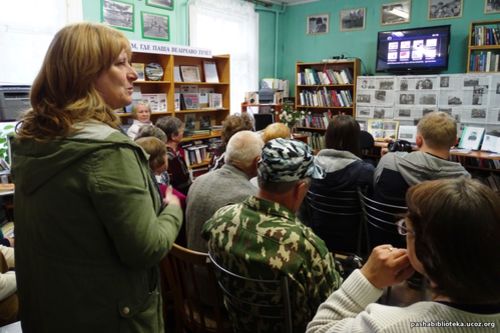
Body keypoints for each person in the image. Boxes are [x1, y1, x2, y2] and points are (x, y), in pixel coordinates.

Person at [12, 22, 182, 333]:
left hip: (53, 311)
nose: (133, 74)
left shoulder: (33, 142)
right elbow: (146, 249)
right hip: (110, 317)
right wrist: (172, 207)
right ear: (85, 74)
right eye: (121, 63)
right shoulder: (109, 152)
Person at [307, 177, 500, 332]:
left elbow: (319, 329)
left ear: (428, 251)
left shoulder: (388, 325)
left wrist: (367, 279)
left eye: (407, 229)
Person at [203, 138, 342, 333]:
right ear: (301, 189)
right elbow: (335, 309)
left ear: (260, 177)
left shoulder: (220, 219)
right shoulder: (304, 245)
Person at [306, 115, 374, 253]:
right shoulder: (364, 171)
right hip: (353, 242)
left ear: (327, 136)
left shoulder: (309, 165)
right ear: (356, 139)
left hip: (316, 238)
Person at [186, 130, 263, 252]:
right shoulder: (250, 197)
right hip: (216, 268)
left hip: (189, 263)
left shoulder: (199, 181)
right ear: (257, 161)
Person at [374, 111, 470, 206]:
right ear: (455, 142)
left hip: (384, 221)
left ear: (418, 140)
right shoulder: (465, 181)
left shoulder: (388, 161)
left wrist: (386, 159)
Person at [156, 116, 192, 195]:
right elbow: (185, 185)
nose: (183, 133)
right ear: (173, 136)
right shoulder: (173, 158)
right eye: (181, 131)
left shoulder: (159, 151)